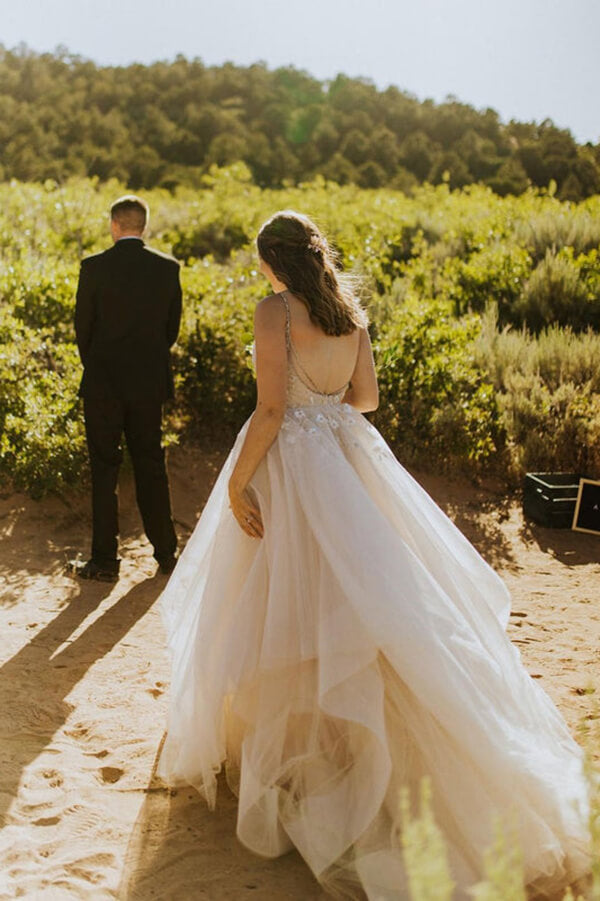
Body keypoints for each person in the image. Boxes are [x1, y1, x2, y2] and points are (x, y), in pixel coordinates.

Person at [157, 210, 590, 899]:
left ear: (272, 260)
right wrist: (326, 417)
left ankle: (303, 761)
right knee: (366, 606)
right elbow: (367, 399)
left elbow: (270, 411)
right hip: (346, 458)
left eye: (259, 259)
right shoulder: (349, 315)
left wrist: (239, 481)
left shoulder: (275, 312)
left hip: (290, 465)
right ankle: (344, 755)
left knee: (284, 604)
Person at [72, 195, 181, 581]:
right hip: (148, 384)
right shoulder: (167, 268)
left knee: (104, 468)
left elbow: (82, 328)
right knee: (151, 465)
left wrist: (97, 364)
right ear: (144, 226)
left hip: (103, 382)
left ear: (114, 225)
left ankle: (104, 561)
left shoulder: (93, 267)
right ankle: (166, 554)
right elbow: (171, 330)